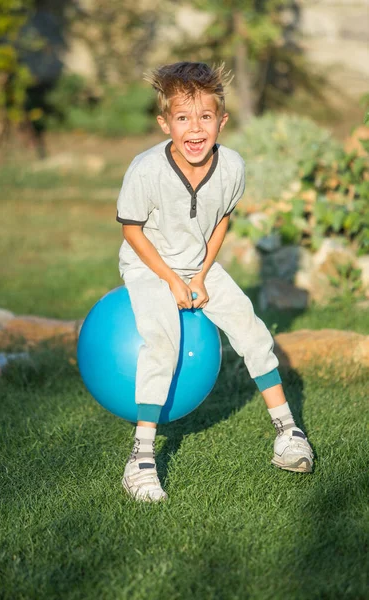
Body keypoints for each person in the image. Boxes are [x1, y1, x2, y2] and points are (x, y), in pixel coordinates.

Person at [116, 62, 313, 502]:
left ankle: (287, 431)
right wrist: (170, 279)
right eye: (182, 118)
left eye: (205, 116)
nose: (195, 128)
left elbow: (222, 218)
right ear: (165, 122)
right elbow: (132, 231)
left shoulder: (232, 167)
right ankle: (141, 458)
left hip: (197, 265)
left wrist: (202, 275)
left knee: (252, 330)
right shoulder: (145, 169)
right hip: (149, 266)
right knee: (163, 342)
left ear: (222, 121)